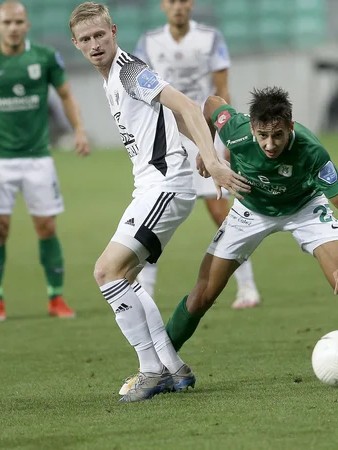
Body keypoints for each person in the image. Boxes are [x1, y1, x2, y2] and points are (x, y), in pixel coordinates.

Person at [162, 87, 338, 369]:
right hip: (250, 209)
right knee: (202, 295)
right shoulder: (236, 129)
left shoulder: (310, 150)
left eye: (278, 135)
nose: (270, 144)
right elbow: (211, 104)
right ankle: (159, 365)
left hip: (304, 208)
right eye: (263, 135)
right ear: (252, 127)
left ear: (290, 127)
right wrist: (207, 151)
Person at [69, 2, 249, 402]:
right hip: (153, 188)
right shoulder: (114, 76)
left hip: (164, 187)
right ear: (76, 44)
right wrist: (198, 146)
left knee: (106, 272)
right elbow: (177, 117)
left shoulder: (130, 70)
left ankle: (150, 371)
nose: (95, 44)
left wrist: (214, 158)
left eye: (100, 35)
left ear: (113, 31)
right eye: (86, 39)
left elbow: (187, 104)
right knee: (125, 278)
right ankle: (174, 368)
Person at [0, 1, 90, 323]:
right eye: (7, 22)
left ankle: (56, 297)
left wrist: (80, 130)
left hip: (38, 158)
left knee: (46, 226)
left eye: (19, 22)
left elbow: (67, 96)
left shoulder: (43, 57)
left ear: (27, 25)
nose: (13, 27)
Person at [133, 0, 261, 308]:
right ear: (164, 5)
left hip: (206, 134)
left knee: (221, 213)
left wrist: (225, 140)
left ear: (191, 4)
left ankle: (247, 287)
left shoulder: (210, 38)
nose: (178, 7)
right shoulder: (148, 43)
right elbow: (138, 91)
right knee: (154, 212)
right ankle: (145, 293)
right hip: (165, 138)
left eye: (183, 1)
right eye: (172, 1)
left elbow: (222, 91)